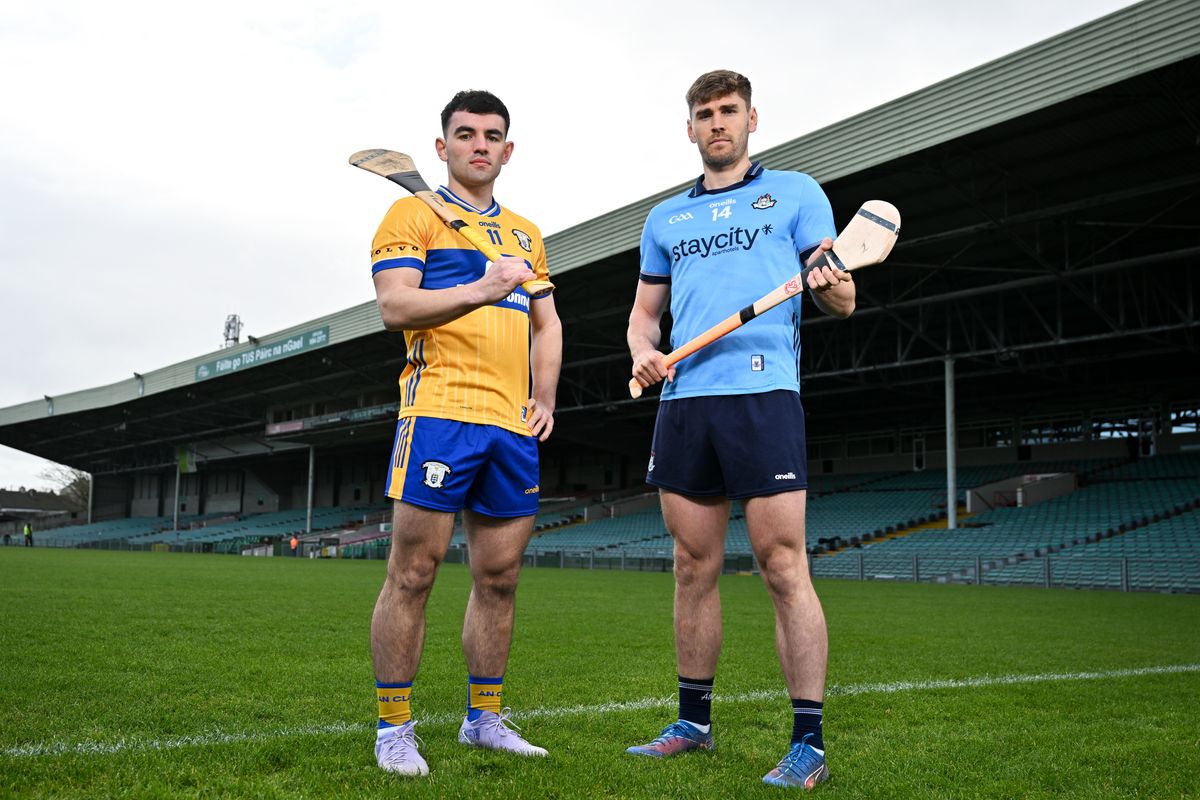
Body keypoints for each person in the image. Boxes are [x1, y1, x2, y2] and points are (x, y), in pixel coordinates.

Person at [625, 70, 855, 790]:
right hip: (686, 401)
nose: (717, 123)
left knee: (783, 566)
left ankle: (808, 743)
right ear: (689, 129)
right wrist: (642, 351)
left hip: (764, 395)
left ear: (752, 119)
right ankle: (693, 722)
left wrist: (831, 283)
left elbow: (842, 297)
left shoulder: (796, 193)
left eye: (729, 111)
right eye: (704, 114)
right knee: (692, 567)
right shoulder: (665, 220)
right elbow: (644, 314)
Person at [367, 89, 562, 778]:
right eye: (465, 133)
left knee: (500, 578)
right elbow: (395, 304)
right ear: (442, 146)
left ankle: (484, 719)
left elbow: (547, 321)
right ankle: (394, 728)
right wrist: (480, 288)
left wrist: (543, 396)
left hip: (509, 427)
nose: (479, 144)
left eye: (492, 136)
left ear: (507, 151)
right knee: (413, 573)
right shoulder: (413, 212)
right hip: (439, 415)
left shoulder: (526, 234)